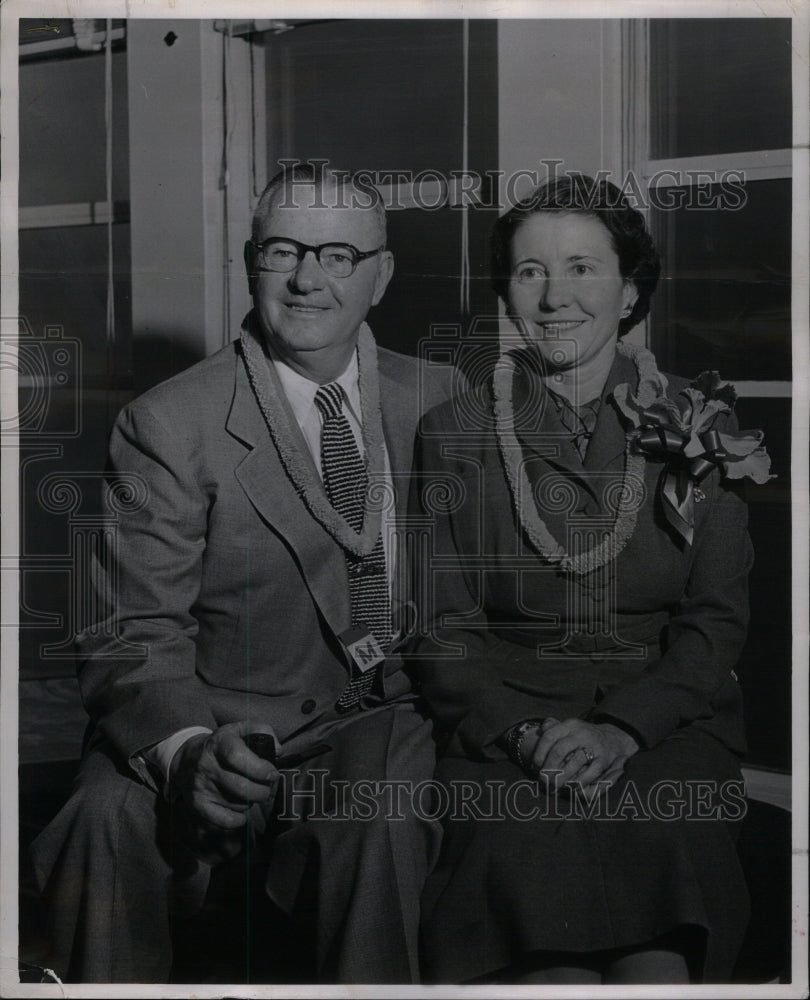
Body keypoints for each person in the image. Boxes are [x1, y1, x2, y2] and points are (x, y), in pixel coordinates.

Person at [30, 163, 459, 984]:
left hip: (380, 718)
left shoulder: (443, 397)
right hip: (215, 711)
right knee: (103, 821)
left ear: (381, 276)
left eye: (338, 256)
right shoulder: (169, 420)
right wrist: (189, 752)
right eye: (284, 250)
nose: (306, 279)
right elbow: (133, 629)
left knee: (383, 825)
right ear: (251, 260)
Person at [409, 174, 771, 985]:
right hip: (505, 731)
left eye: (582, 268)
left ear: (631, 287)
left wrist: (624, 730)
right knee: (547, 969)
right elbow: (440, 625)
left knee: (659, 963)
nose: (554, 296)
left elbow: (715, 624)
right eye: (531, 271)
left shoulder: (699, 423)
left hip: (665, 725)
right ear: (506, 292)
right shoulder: (455, 432)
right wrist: (524, 733)